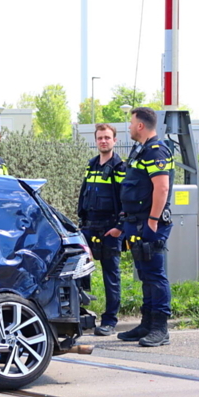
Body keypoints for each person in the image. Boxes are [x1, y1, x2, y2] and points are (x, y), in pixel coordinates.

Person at [113, 107, 174, 347]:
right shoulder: (140, 150)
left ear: (140, 125)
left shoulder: (156, 151)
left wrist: (152, 221)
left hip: (149, 223)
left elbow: (162, 188)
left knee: (155, 275)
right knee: (146, 275)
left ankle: (160, 328)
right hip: (135, 221)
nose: (128, 127)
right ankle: (147, 323)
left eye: (130, 123)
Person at [77, 123, 125, 336]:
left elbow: (125, 200)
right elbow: (84, 195)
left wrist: (119, 228)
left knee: (111, 276)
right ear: (96, 141)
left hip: (109, 230)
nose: (103, 141)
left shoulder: (119, 167)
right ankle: (80, 315)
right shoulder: (92, 165)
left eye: (107, 137)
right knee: (77, 272)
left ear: (114, 140)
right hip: (88, 228)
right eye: (100, 138)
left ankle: (110, 320)